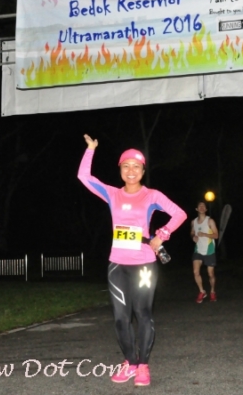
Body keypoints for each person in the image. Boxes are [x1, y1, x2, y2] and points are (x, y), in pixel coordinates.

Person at [77, 134, 186, 387]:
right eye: (126, 166)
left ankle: (143, 366)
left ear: (143, 170)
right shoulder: (112, 194)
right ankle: (130, 362)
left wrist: (161, 235)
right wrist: (91, 149)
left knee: (143, 313)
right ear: (120, 170)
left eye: (136, 166)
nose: (131, 170)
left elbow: (179, 214)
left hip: (144, 264)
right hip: (117, 264)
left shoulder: (152, 195)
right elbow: (84, 177)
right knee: (120, 318)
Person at [190, 201, 219, 303]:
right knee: (196, 272)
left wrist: (205, 234)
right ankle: (202, 291)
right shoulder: (193, 222)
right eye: (200, 206)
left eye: (203, 206)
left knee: (210, 274)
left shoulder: (210, 221)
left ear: (206, 209)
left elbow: (216, 235)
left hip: (209, 249)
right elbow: (192, 232)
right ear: (196, 209)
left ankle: (212, 291)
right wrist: (193, 237)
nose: (202, 207)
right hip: (198, 249)